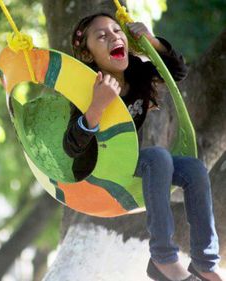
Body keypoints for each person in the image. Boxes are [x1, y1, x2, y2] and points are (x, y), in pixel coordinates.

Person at [63, 12, 224, 281]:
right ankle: (163, 258)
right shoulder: (87, 88)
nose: (113, 36)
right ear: (88, 55)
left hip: (131, 163)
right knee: (158, 157)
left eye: (117, 31)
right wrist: (96, 107)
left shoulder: (136, 72)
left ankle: (204, 264)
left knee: (194, 168)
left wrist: (153, 42)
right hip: (98, 171)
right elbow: (72, 148)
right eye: (101, 36)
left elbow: (177, 71)